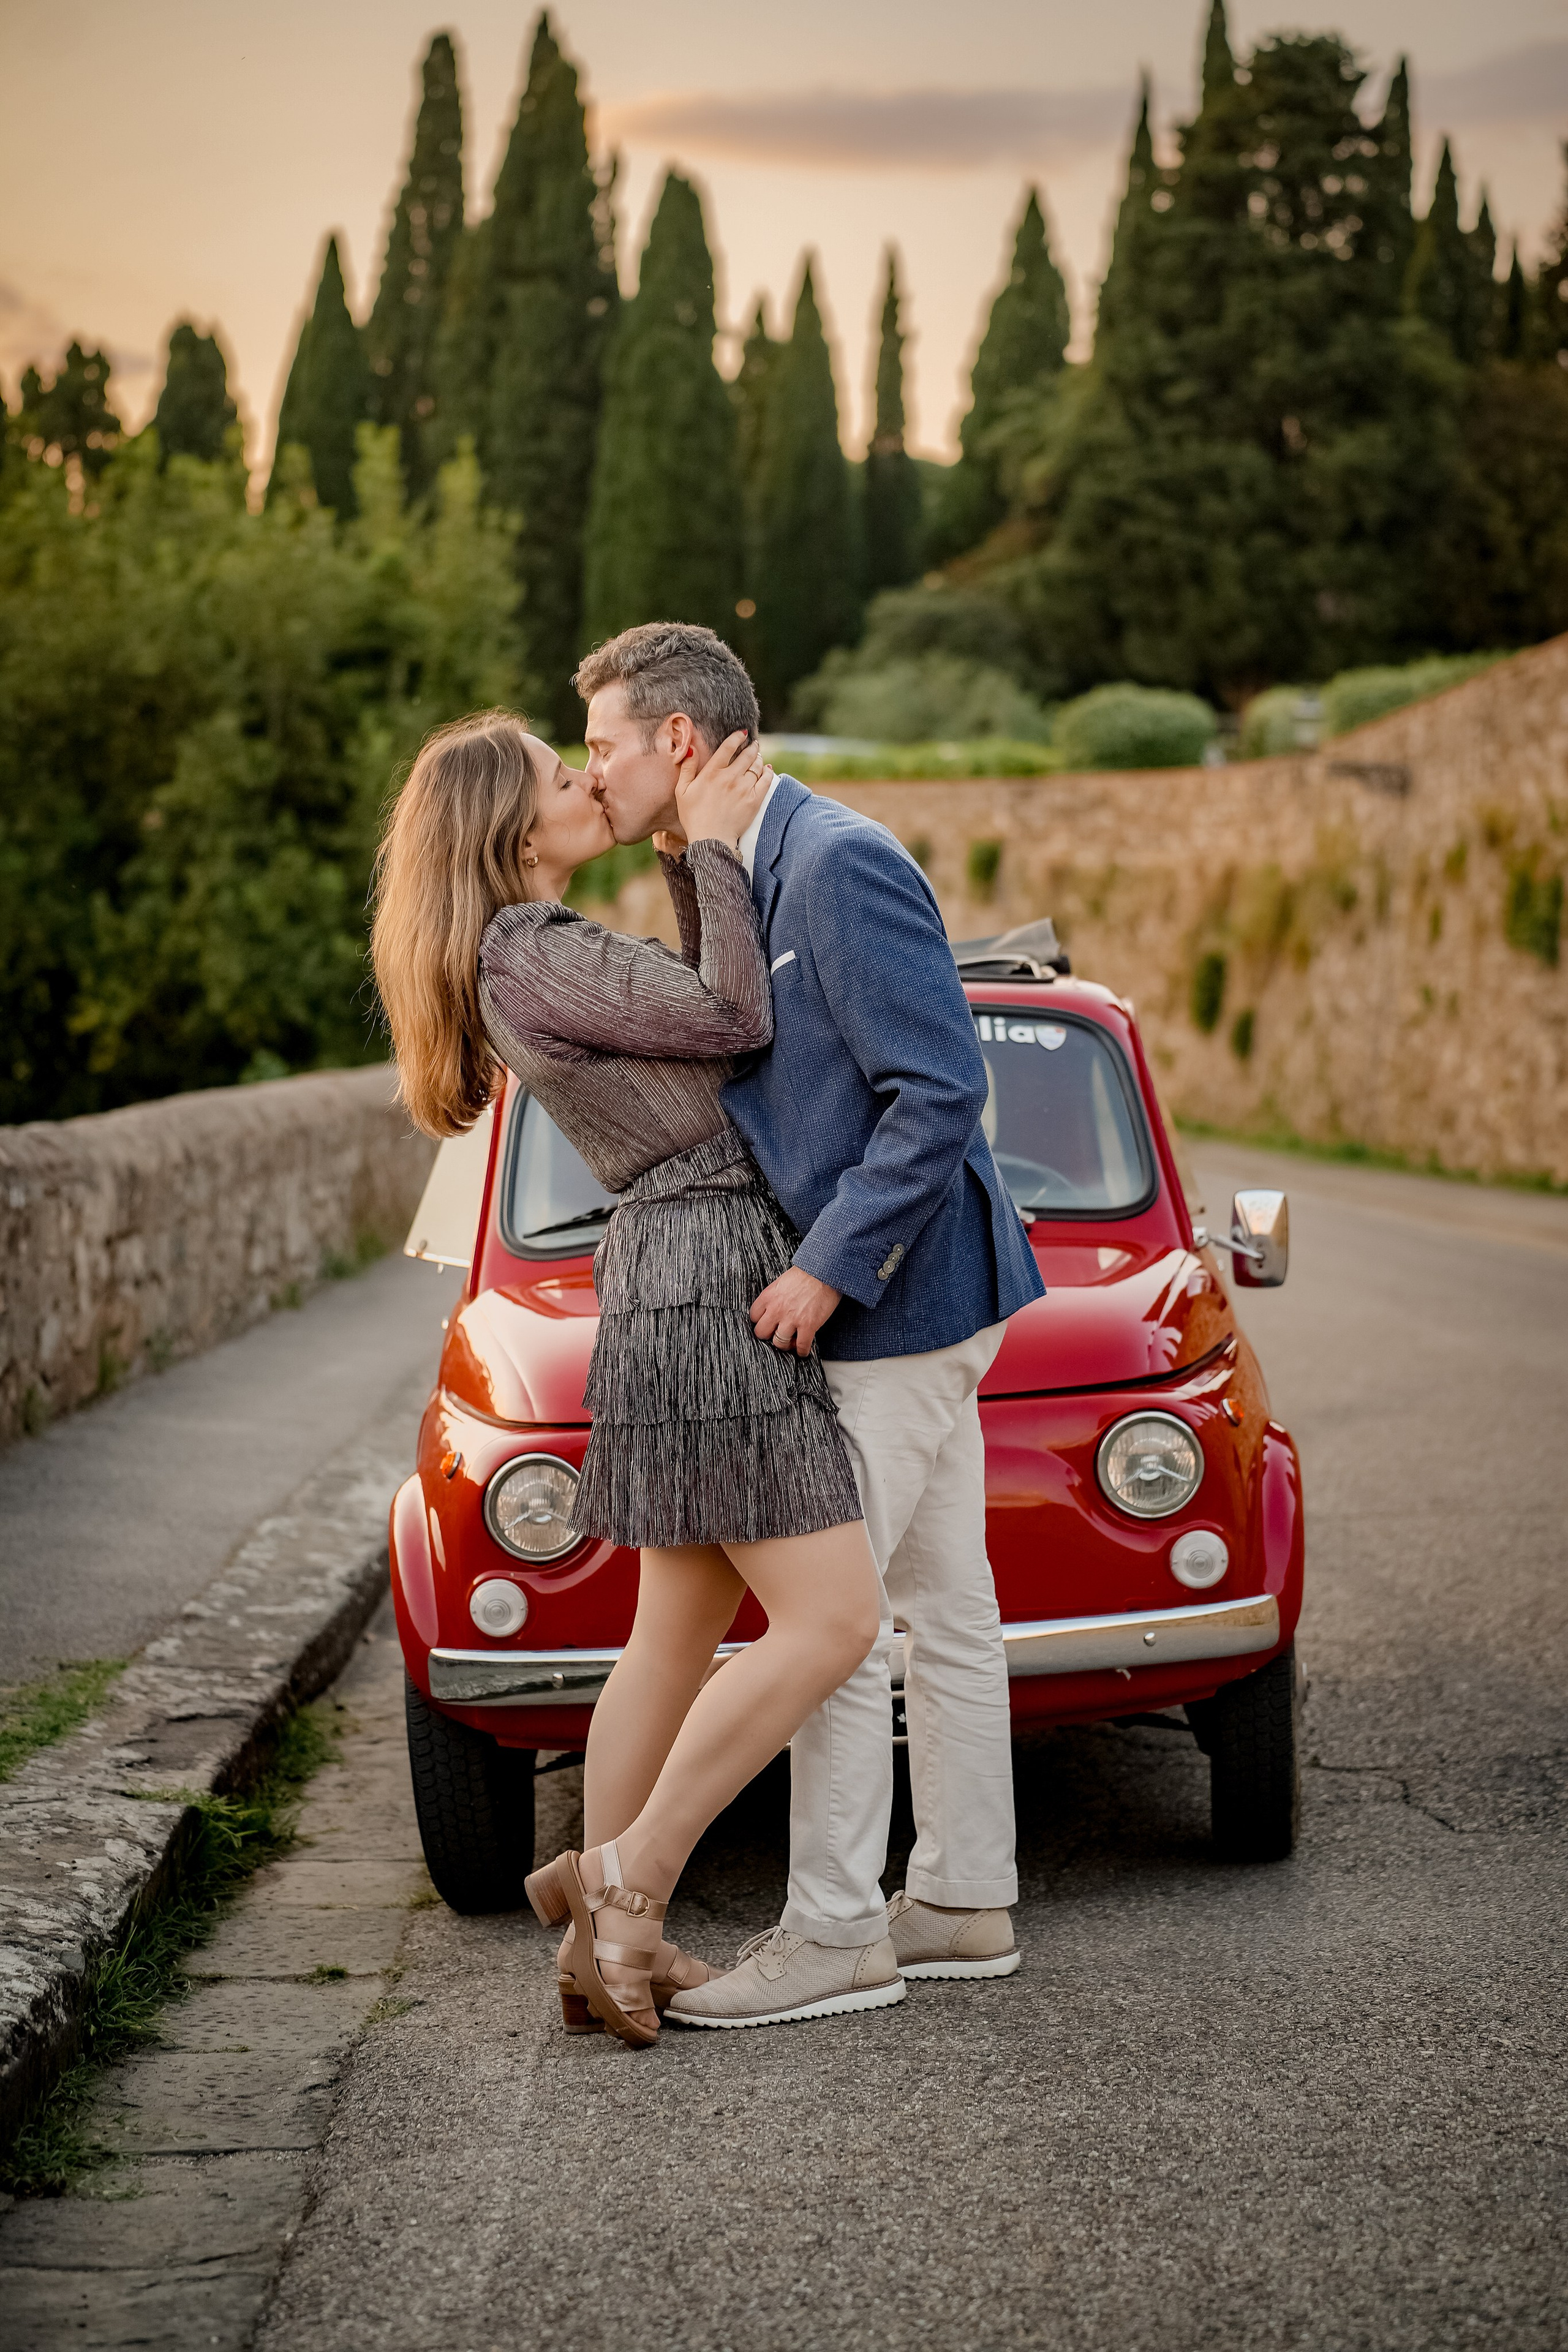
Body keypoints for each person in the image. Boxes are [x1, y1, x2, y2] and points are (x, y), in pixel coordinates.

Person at [371, 710, 895, 2049]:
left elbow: (677, 1007)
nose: (584, 777)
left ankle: (616, 1945)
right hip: (708, 1273)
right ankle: (627, 1877)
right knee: (834, 1621)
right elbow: (729, 1011)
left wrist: (679, 852)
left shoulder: (522, 956)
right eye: (561, 775)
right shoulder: (528, 946)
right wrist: (714, 846)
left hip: (671, 1271)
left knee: (671, 1633)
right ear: (512, 829)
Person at [576, 623, 1046, 2030]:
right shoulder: (718, 868)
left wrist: (828, 1271)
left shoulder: (835, 863)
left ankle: (836, 1931)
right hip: (928, 1300)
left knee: (822, 1619)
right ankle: (962, 1900)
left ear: (675, 740)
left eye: (600, 744)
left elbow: (938, 1089)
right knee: (945, 1611)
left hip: (900, 1301)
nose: (588, 773)